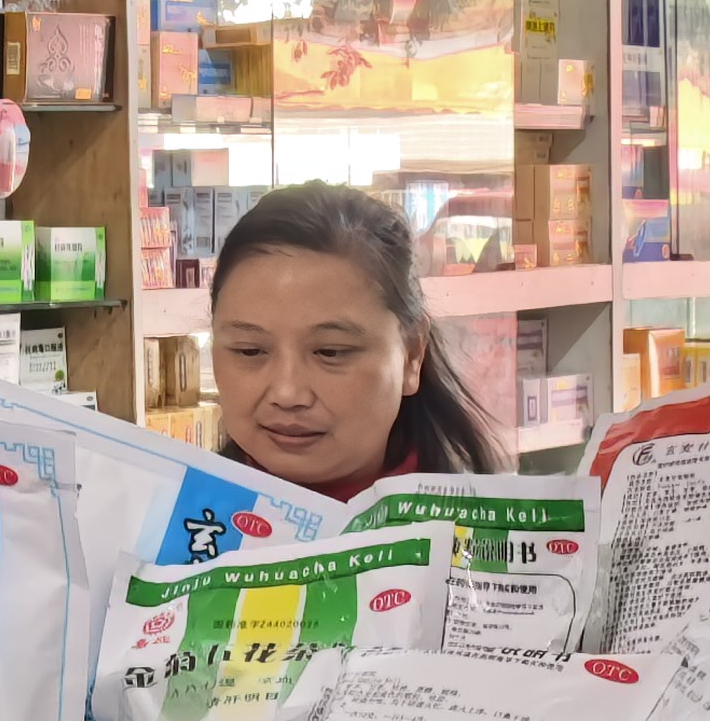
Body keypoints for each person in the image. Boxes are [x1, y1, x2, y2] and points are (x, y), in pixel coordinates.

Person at [201, 183, 507, 499]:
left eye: (330, 352)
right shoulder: (173, 518)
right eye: (249, 350)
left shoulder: (476, 525)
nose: (287, 393)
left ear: (412, 354)